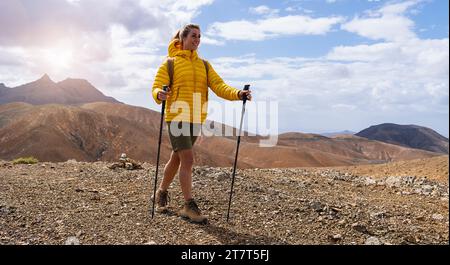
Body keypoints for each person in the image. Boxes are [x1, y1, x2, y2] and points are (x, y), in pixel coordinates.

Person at [151, 24, 252, 223]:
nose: (197, 40)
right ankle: (189, 206)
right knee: (187, 159)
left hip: (196, 118)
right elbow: (156, 87)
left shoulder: (204, 65)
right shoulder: (169, 63)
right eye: (193, 36)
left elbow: (218, 85)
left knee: (177, 158)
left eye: (199, 36)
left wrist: (238, 94)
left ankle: (161, 192)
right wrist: (159, 94)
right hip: (177, 117)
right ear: (182, 39)